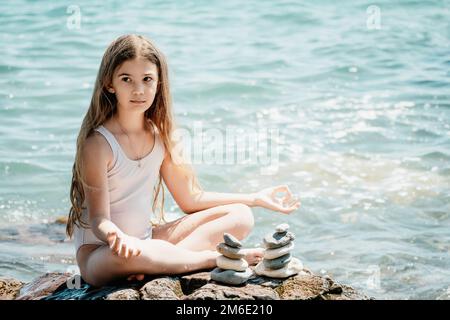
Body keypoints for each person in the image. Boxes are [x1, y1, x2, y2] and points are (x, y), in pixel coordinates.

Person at [66, 34, 301, 287]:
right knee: (134, 254)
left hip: (148, 243)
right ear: (109, 84)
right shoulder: (98, 143)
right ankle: (207, 260)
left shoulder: (162, 136)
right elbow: (99, 220)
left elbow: (191, 199)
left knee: (241, 216)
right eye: (126, 79)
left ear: (158, 83)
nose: (138, 90)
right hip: (103, 253)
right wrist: (116, 237)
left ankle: (159, 264)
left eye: (147, 79)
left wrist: (255, 198)